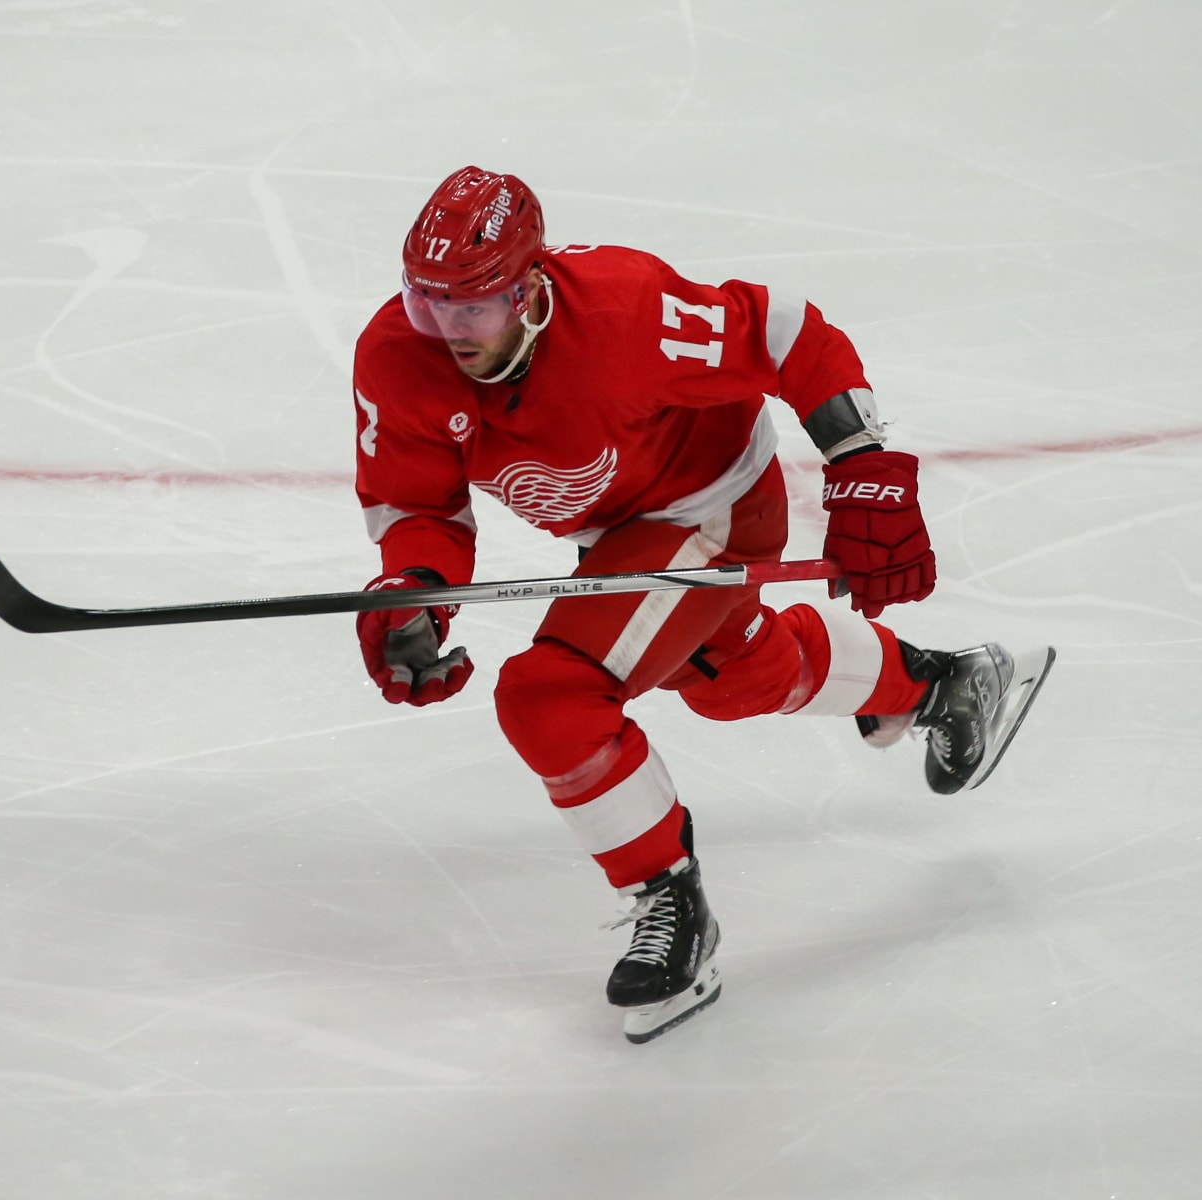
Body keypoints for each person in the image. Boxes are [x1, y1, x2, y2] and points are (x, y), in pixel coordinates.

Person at [349, 165, 1053, 1043]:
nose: (446, 330)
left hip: (711, 505)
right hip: (618, 531)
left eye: (471, 307)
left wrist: (862, 462)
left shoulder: (623, 312)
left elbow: (785, 331)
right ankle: (942, 685)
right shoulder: (397, 356)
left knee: (551, 694)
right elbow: (418, 502)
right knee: (731, 674)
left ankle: (670, 906)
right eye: (428, 304)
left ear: (529, 290)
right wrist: (415, 594)